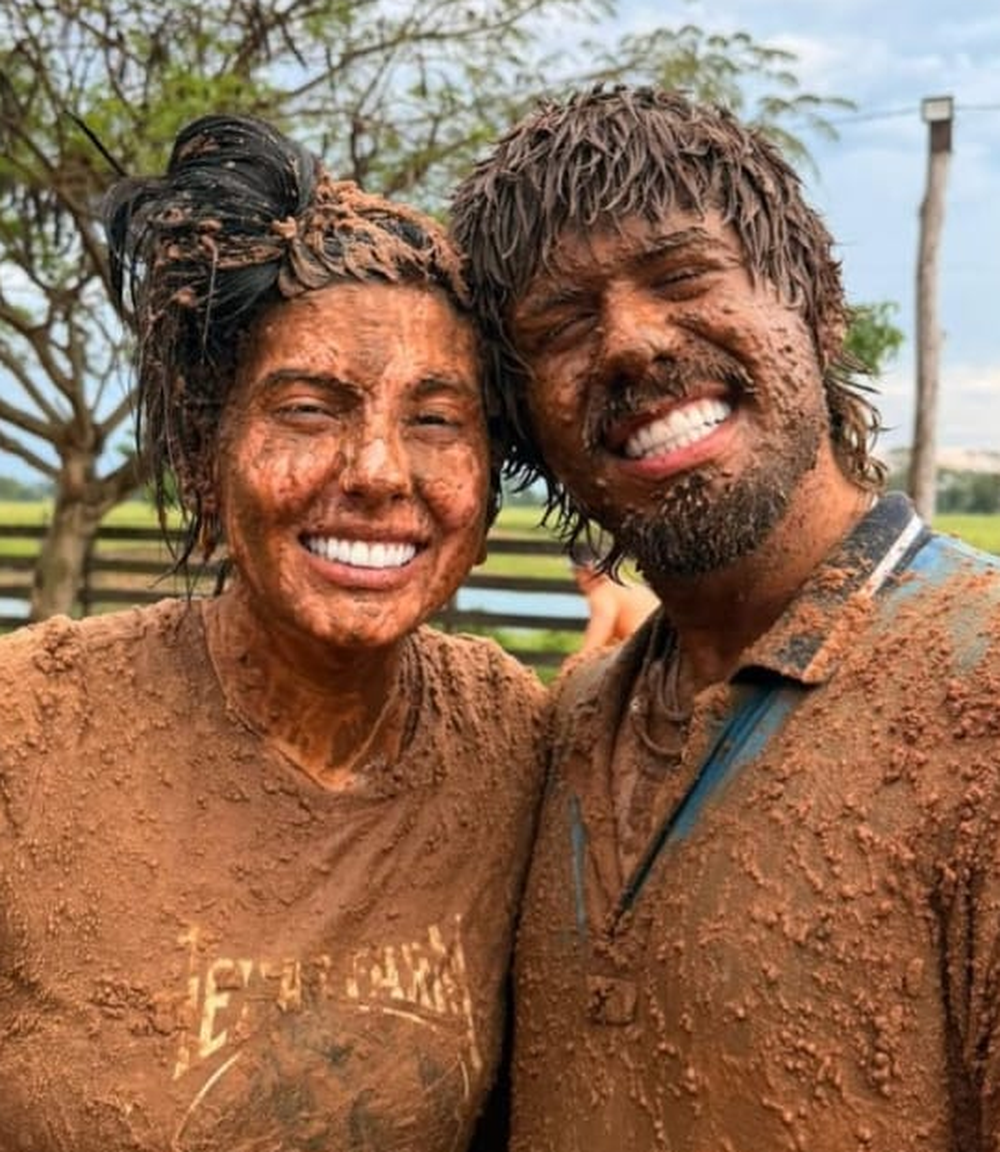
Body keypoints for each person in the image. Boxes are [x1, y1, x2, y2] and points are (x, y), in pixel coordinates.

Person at [450, 86, 1000, 1151]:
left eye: (681, 275)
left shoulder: (975, 693)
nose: (629, 343)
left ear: (813, 305)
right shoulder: (570, 728)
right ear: (521, 426)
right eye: (560, 324)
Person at [0, 113, 545, 1152]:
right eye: (308, 409)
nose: (380, 472)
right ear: (208, 454)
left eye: (436, 420)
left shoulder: (511, 741)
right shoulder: (29, 737)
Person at [569, 543, 659, 657]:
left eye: (576, 573)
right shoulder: (628, 586)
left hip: (647, 650)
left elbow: (595, 642)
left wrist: (576, 662)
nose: (576, 579)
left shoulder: (602, 594)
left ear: (587, 572)